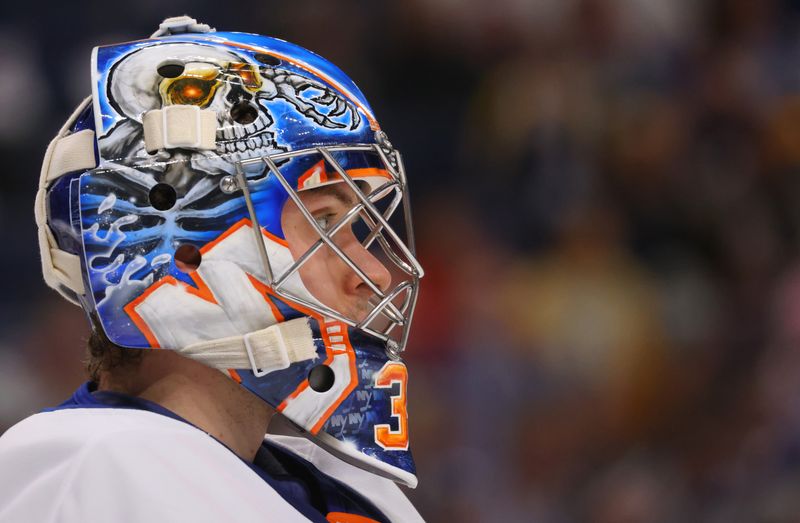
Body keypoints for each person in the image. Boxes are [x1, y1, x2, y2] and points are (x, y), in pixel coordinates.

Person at [0, 16, 425, 522]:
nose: (374, 274)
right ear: (183, 248)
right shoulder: (89, 465)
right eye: (325, 219)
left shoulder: (346, 488)